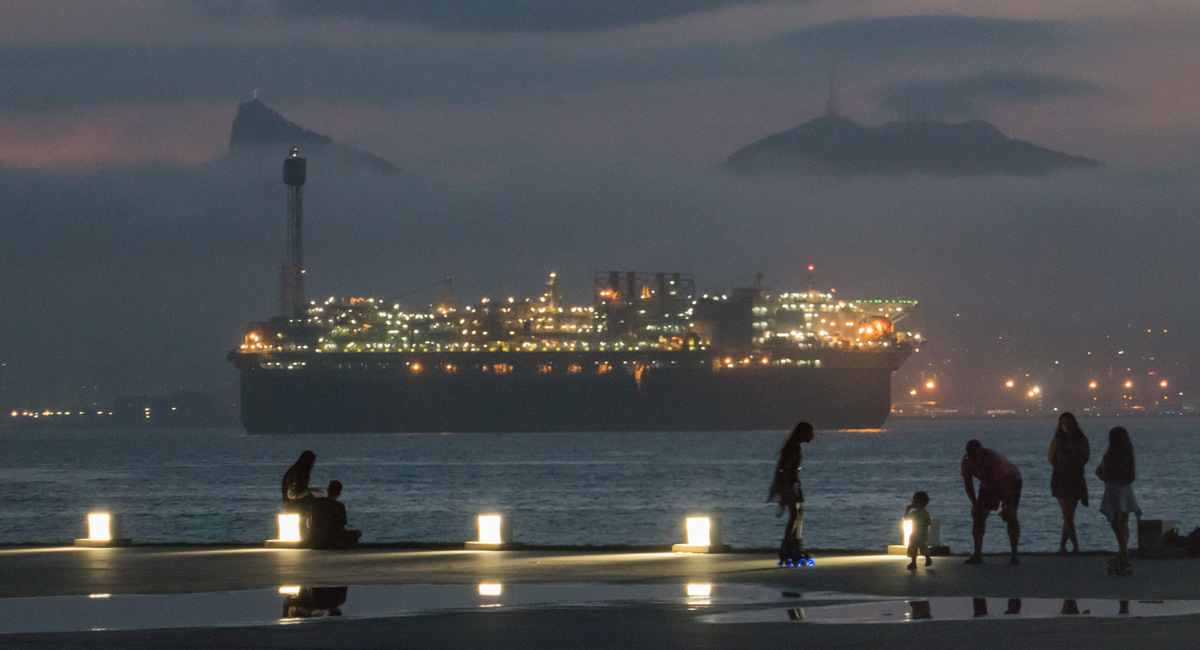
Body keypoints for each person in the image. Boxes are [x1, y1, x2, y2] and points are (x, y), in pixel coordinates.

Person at [961, 439, 1022, 565]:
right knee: (978, 516)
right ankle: (977, 554)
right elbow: (968, 484)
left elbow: (1004, 485)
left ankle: (1014, 554)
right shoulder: (967, 462)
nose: (974, 460)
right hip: (988, 484)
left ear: (981, 452)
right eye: (971, 457)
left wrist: (1006, 506)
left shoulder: (993, 460)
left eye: (976, 456)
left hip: (1011, 480)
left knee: (1010, 514)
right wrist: (974, 503)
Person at [767, 421, 814, 564]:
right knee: (794, 515)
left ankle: (795, 544)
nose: (812, 436)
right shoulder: (794, 448)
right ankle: (787, 546)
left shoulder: (795, 447)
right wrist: (786, 491)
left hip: (793, 483)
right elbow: (786, 470)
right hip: (790, 484)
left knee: (799, 514)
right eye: (810, 432)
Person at [1097, 426, 1141, 574]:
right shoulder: (1128, 456)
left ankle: (1123, 553)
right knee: (1124, 522)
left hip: (1113, 490)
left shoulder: (1108, 456)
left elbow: (1099, 471)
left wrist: (1107, 479)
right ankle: (1123, 552)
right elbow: (1132, 476)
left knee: (1116, 524)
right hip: (1125, 490)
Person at [1048, 412, 1090, 554]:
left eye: (1068, 422)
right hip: (1064, 479)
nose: (1066, 425)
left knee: (1068, 515)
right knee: (1068, 515)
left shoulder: (1075, 440)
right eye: (1063, 422)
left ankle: (1065, 547)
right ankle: (1073, 547)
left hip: (1073, 478)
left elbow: (1051, 459)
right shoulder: (1061, 440)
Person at [309, 480, 363, 550]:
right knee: (358, 533)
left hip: (315, 540)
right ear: (339, 493)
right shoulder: (339, 506)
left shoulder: (317, 502)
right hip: (332, 540)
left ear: (328, 490)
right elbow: (341, 527)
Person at [903, 491, 933, 570]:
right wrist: (907, 510)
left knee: (917, 546)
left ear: (918, 502)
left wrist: (907, 511)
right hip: (918, 533)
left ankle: (922, 560)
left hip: (920, 533)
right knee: (916, 546)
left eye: (913, 501)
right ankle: (918, 561)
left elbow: (928, 522)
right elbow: (906, 519)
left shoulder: (921, 513)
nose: (912, 502)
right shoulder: (917, 513)